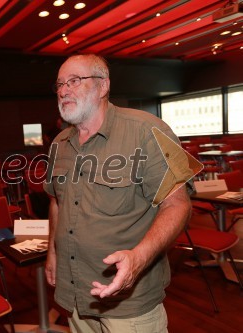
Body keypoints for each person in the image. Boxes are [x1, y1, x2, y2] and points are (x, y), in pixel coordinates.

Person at [43, 54, 192, 333]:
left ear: (103, 86)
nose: (64, 90)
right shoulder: (60, 144)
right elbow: (56, 202)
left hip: (129, 302)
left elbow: (178, 204)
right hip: (75, 291)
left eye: (75, 81)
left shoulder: (148, 130)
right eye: (60, 84)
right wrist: (52, 253)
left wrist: (139, 258)